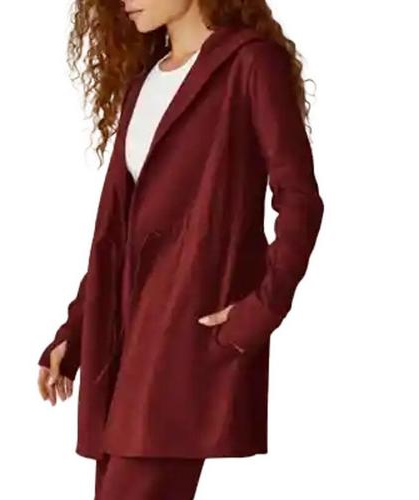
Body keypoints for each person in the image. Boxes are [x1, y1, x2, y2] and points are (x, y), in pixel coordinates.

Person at [37, 1, 324, 499]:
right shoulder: (145, 84)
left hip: (184, 338)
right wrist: (77, 332)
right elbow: (117, 235)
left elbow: (300, 201)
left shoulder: (250, 65)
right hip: (122, 341)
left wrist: (258, 312)